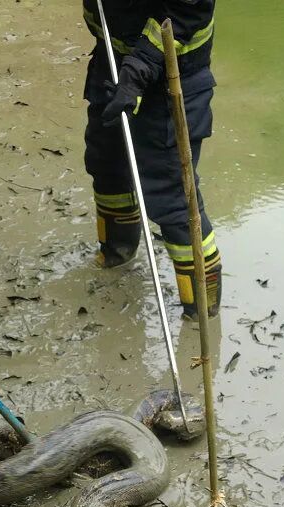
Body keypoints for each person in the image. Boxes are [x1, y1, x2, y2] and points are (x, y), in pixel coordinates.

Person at [82, 0, 221, 320]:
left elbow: (185, 13)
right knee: (107, 164)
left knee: (173, 197)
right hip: (112, 57)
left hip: (173, 73)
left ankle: (201, 310)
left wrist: (136, 71)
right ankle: (116, 253)